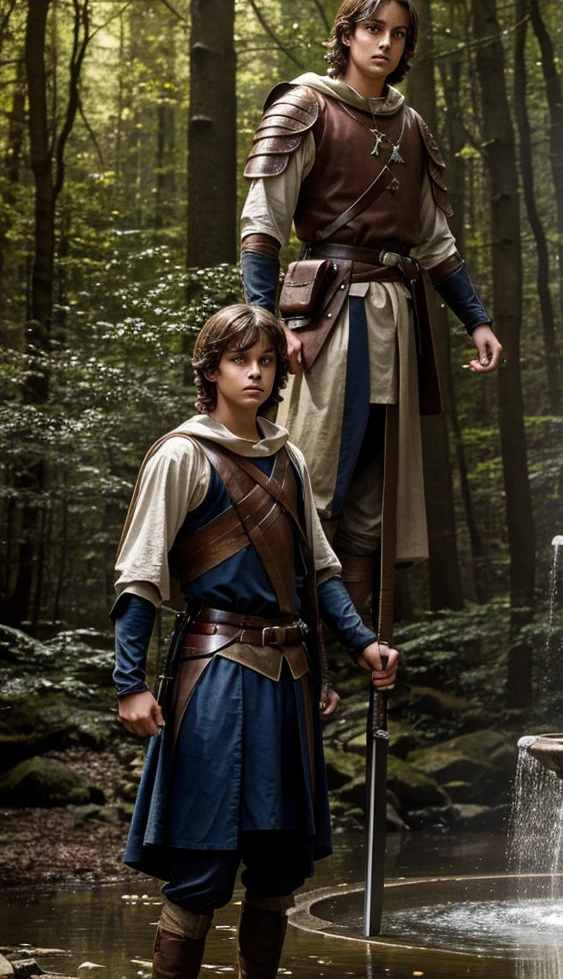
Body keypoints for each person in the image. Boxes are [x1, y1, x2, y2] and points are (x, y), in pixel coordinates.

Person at [112, 303, 398, 979]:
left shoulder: (289, 456)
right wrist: (128, 682)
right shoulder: (182, 454)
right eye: (241, 360)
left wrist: (361, 645)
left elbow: (319, 571)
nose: (256, 373)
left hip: (287, 682)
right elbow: (141, 577)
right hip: (212, 679)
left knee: (278, 868)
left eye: (266, 361)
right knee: (203, 865)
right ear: (210, 370)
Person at [240, 0, 503, 610]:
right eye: (372, 28)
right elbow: (262, 227)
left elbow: (436, 244)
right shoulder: (307, 107)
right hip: (325, 318)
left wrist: (477, 321)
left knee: (373, 503)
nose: (385, 42)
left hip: (397, 320)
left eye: (398, 32)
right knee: (314, 481)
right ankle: (303, 659)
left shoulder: (412, 126)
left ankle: (357, 657)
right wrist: (271, 327)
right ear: (347, 33)